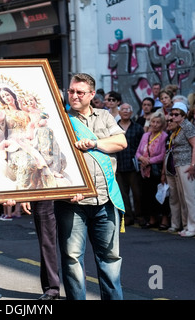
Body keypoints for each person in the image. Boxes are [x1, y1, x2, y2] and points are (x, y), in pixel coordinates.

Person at [54, 73, 127, 300]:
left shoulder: (104, 116)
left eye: (80, 92)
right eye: (71, 91)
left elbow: (121, 142)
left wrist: (94, 143)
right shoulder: (60, 119)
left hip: (105, 199)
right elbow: (50, 159)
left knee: (110, 260)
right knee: (73, 259)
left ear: (92, 95)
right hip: (72, 202)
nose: (74, 96)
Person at [162, 102, 195, 237]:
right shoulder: (178, 128)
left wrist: (193, 165)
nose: (173, 117)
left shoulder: (187, 126)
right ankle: (187, 225)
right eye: (172, 114)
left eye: (176, 114)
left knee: (190, 196)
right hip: (179, 164)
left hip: (187, 164)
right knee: (184, 197)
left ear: (183, 115)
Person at [136, 112, 169, 229]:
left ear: (162, 124)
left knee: (161, 195)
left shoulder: (164, 136)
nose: (155, 124)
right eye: (153, 122)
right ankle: (152, 218)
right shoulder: (146, 135)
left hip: (157, 170)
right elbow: (138, 151)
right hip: (145, 171)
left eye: (158, 122)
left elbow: (163, 154)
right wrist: (142, 158)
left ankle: (164, 219)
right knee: (147, 195)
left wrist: (149, 161)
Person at [21, 200, 60, 300]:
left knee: (72, 250)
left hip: (69, 196)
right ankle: (52, 288)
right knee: (47, 245)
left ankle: (76, 289)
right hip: (43, 197)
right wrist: (24, 196)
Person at [116, 103, 144, 226]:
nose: (125, 111)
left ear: (131, 112)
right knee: (123, 194)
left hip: (134, 165)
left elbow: (142, 146)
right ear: (119, 112)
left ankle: (139, 215)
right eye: (123, 109)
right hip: (119, 164)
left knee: (137, 193)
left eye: (128, 109)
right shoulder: (114, 128)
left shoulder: (138, 128)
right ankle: (127, 216)